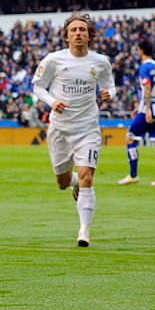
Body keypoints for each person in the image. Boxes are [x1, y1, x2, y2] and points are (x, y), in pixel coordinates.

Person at [31, 12, 115, 247]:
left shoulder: (100, 62)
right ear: (66, 36)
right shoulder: (53, 60)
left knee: (88, 177)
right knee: (62, 181)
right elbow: (38, 87)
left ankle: (84, 231)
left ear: (90, 35)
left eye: (82, 30)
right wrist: (52, 102)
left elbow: (110, 85)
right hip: (60, 130)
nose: (78, 33)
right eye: (73, 30)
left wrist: (110, 93)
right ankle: (74, 181)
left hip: (88, 129)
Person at [118, 40, 155, 187]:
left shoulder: (144, 67)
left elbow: (147, 87)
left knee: (130, 139)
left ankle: (133, 175)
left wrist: (146, 108)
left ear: (140, 50)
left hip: (149, 109)